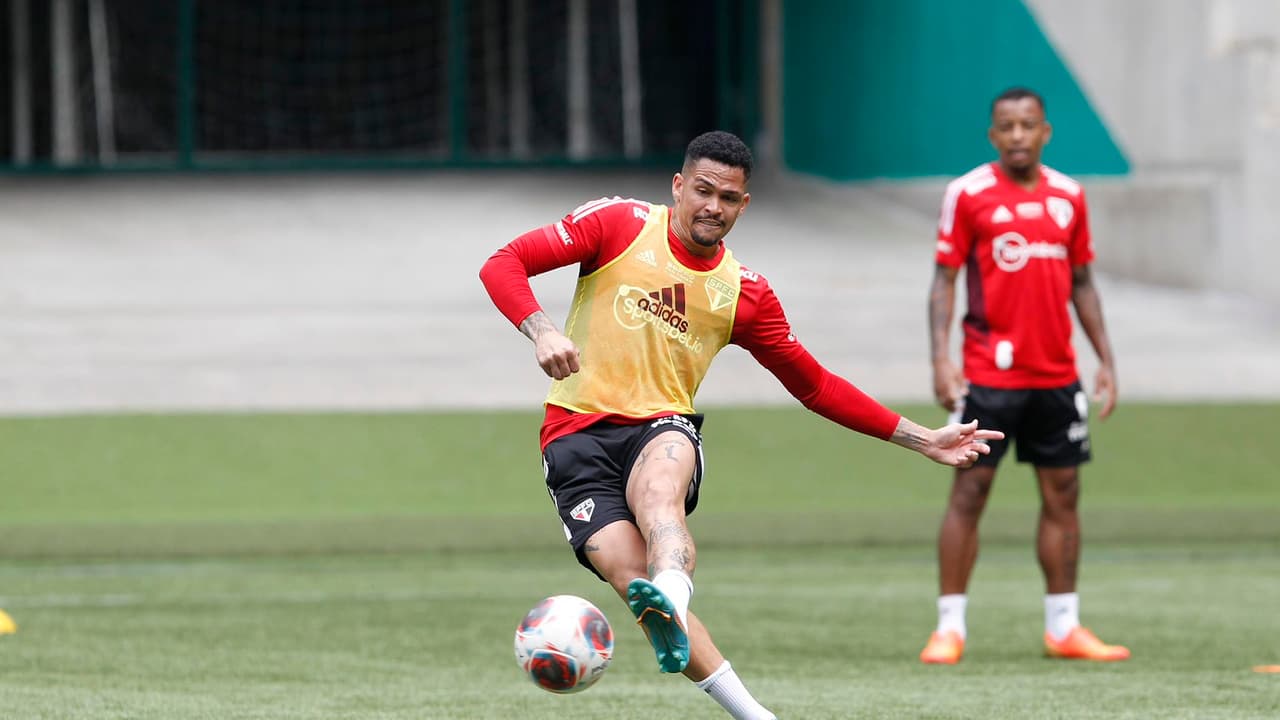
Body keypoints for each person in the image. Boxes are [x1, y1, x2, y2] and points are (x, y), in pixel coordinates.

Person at [480, 130, 1003, 719]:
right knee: (630, 579)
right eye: (702, 191)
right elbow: (504, 262)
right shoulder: (618, 224)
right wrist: (541, 328)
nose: (713, 207)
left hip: (662, 426)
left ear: (744, 204)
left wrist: (921, 437)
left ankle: (672, 598)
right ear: (678, 186)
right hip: (574, 439)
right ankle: (755, 714)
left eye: (728, 199)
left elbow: (816, 385)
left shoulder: (745, 293)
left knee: (659, 500)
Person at [919, 87, 1127, 665]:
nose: (1016, 136)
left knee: (1063, 496)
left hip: (1057, 376)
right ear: (993, 135)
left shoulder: (1070, 196)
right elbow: (944, 280)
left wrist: (1105, 358)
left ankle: (1064, 627)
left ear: (1045, 132)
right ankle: (949, 627)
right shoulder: (968, 194)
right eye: (1006, 127)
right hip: (989, 376)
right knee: (970, 492)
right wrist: (941, 358)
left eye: (1027, 126)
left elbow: (1083, 282)